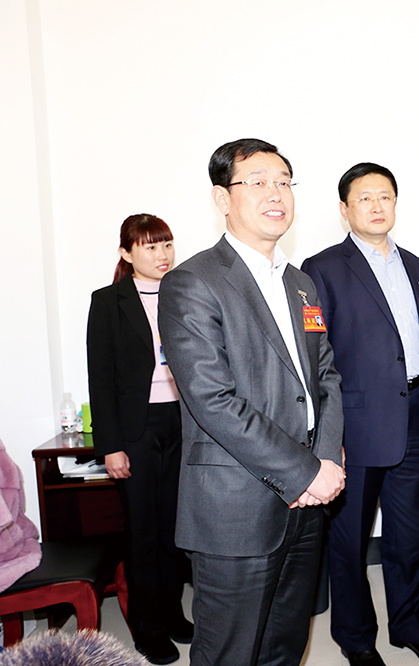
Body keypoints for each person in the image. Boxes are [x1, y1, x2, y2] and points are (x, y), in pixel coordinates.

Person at [158, 139, 346, 666]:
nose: (275, 194)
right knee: (229, 653)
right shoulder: (192, 282)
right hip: (235, 509)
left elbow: (326, 377)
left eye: (284, 182)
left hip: (308, 502)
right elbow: (213, 401)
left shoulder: (301, 284)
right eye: (258, 182)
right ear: (222, 198)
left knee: (285, 646)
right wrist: (304, 472)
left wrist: (324, 459)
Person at [300, 163, 419, 666]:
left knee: (409, 534)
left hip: (414, 415)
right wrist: (329, 434)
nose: (377, 206)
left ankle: (407, 625)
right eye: (364, 198)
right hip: (356, 424)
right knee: (349, 541)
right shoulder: (322, 268)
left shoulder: (416, 266)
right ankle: (357, 639)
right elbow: (316, 357)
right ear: (345, 210)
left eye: (385, 196)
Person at [86, 214, 191, 664]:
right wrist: (111, 445)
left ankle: (173, 614)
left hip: (183, 422)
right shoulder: (109, 301)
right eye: (150, 246)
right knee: (144, 532)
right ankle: (148, 628)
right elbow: (100, 377)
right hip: (137, 428)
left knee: (177, 530)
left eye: (166, 244)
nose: (162, 254)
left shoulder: (184, 291)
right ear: (126, 253)